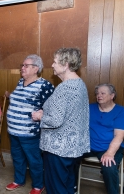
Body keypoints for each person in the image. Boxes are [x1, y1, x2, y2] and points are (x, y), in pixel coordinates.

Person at [32, 48, 90, 194]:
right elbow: (70, 112)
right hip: (73, 147)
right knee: (68, 185)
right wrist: (46, 111)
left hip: (58, 149)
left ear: (66, 65)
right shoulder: (80, 83)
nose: (52, 65)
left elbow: (56, 120)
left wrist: (40, 116)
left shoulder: (64, 88)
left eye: (55, 62)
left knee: (56, 188)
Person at [5, 55, 54, 194]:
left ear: (36, 69)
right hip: (13, 131)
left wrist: (41, 114)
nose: (22, 68)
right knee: (18, 157)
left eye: (26, 65)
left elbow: (53, 109)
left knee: (34, 160)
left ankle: (38, 185)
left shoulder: (45, 85)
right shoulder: (21, 82)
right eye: (22, 65)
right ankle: (19, 180)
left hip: (30, 133)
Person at [82, 83, 124, 194]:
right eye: (97, 93)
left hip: (109, 147)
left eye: (103, 93)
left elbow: (119, 135)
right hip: (89, 146)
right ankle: (71, 187)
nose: (99, 95)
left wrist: (109, 153)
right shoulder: (90, 108)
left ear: (112, 96)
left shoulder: (121, 111)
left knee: (109, 166)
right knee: (68, 156)